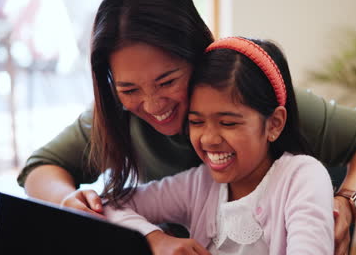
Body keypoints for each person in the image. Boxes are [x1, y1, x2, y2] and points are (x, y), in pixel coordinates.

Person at [16, 0, 356, 254]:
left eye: (167, 81)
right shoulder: (180, 171)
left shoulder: (262, 109)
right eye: (130, 88)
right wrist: (75, 203)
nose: (151, 104)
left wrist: (347, 203)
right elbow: (40, 168)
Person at [105, 36, 335, 255]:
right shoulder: (198, 184)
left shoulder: (302, 177)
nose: (209, 139)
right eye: (196, 122)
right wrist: (154, 237)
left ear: (274, 124)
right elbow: (112, 205)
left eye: (228, 123)